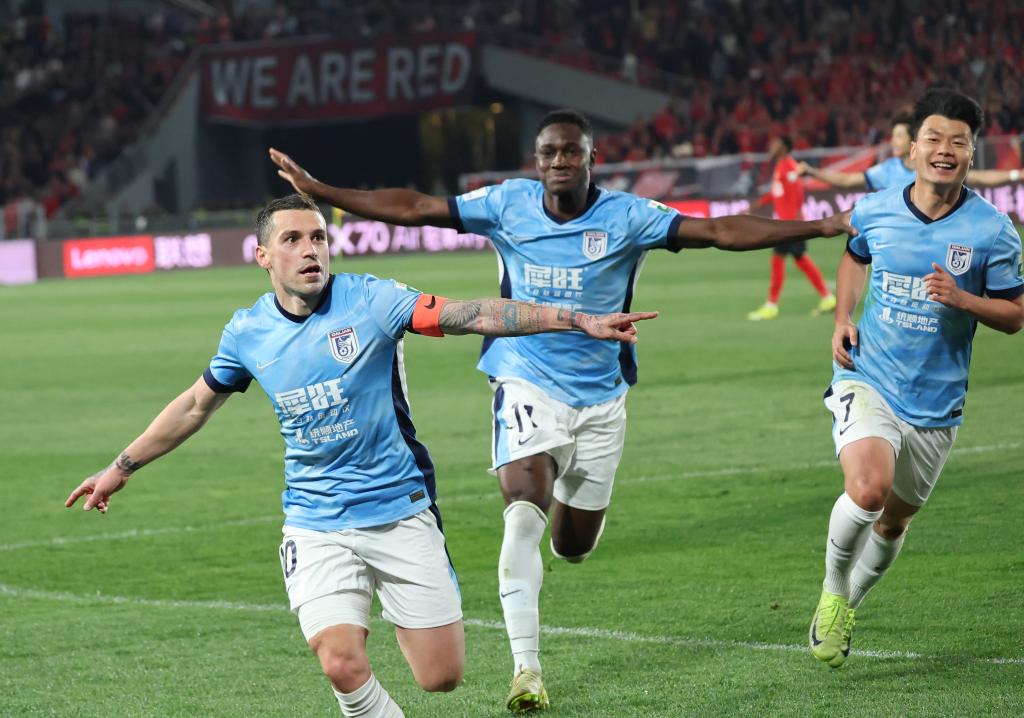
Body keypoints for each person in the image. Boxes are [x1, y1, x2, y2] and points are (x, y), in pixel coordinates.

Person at [269, 108, 854, 713]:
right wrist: (321, 191)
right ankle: (526, 670)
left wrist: (820, 225)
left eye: (571, 152)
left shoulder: (627, 216)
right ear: (537, 160)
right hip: (524, 380)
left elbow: (718, 230)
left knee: (573, 544)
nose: (558, 162)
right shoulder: (507, 204)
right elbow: (417, 207)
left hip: (601, 397)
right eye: (548, 153)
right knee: (523, 513)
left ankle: (562, 542)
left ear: (592, 158)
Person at [64, 193, 659, 718]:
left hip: (400, 509)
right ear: (263, 256)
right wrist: (119, 468)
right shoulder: (247, 332)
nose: (310, 250)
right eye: (292, 240)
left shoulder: (371, 301)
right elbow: (196, 404)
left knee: (441, 676)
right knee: (339, 660)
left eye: (318, 237)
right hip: (315, 520)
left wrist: (574, 319)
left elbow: (472, 313)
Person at [808, 89, 1023, 668]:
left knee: (894, 521)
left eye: (958, 141)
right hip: (868, 376)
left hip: (936, 401)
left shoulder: (993, 231)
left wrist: (963, 299)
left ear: (971, 153)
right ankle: (832, 591)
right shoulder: (876, 209)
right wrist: (843, 316)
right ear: (912, 150)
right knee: (868, 490)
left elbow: (1015, 315)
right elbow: (855, 256)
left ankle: (850, 601)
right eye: (934, 138)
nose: (944, 150)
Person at [798, 113, 1023, 191]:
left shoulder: (934, 166)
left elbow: (978, 177)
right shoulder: (886, 170)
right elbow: (848, 181)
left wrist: (1016, 175)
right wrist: (812, 172)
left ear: (912, 141)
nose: (892, 142)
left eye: (898, 136)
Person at [747, 135, 837, 321]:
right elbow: (775, 193)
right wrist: (753, 207)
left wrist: (796, 221)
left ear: (784, 147)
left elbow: (797, 191)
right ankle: (827, 297)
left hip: (789, 224)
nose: (771, 146)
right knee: (800, 259)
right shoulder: (781, 165)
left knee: (779, 260)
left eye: (775, 143)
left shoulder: (789, 166)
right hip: (786, 223)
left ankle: (771, 305)